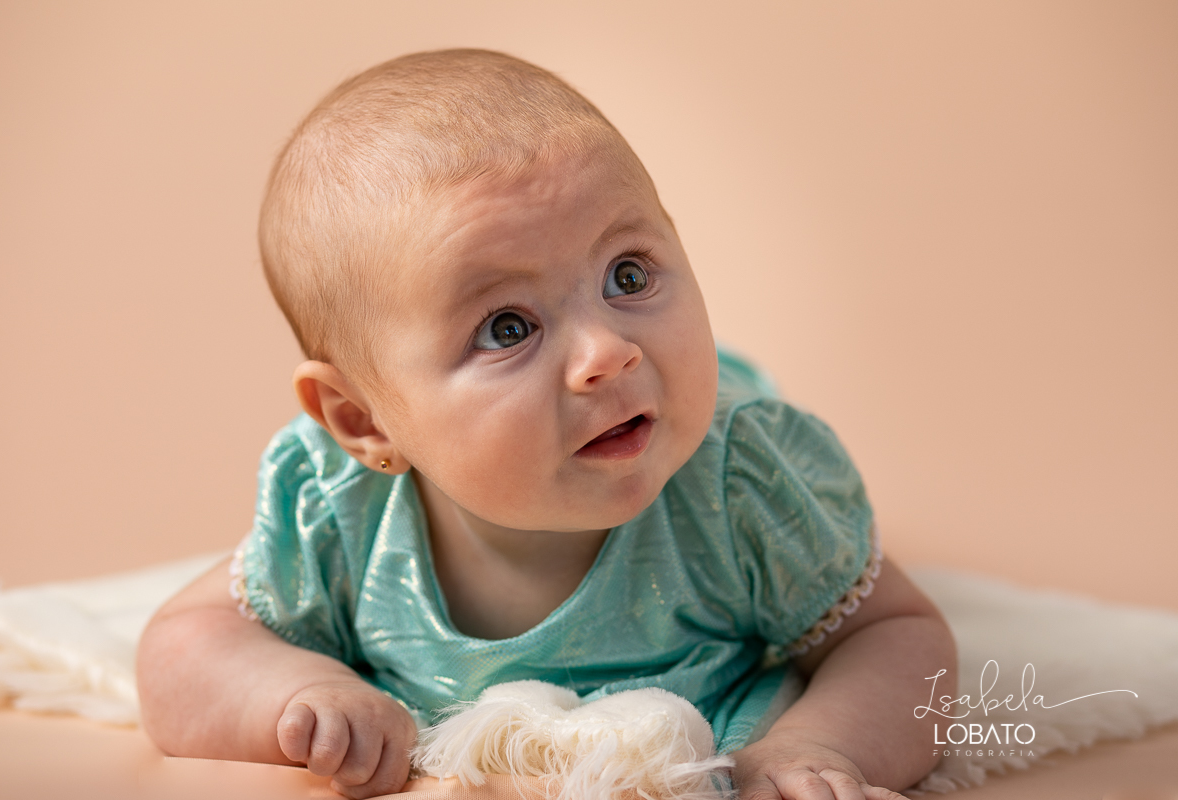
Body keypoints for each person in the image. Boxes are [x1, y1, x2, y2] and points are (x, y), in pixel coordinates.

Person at [136, 49, 957, 800]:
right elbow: (182, 646)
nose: (608, 351)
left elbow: (897, 634)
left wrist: (822, 744)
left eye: (627, 274)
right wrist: (298, 692)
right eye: (508, 328)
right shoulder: (344, 513)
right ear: (364, 421)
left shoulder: (740, 482)